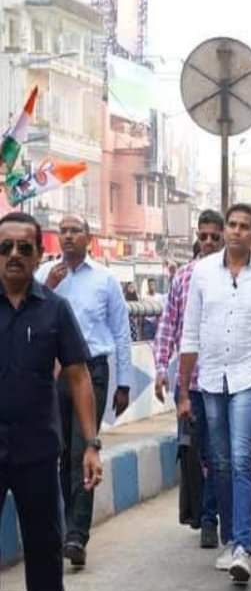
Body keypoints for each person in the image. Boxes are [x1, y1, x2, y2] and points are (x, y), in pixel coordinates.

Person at [0, 211, 103, 591]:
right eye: (6, 248)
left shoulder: (54, 309)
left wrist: (91, 444)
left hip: (39, 449)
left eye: (24, 248)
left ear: (40, 255)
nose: (14, 256)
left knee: (44, 545)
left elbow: (79, 375)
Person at [178, 203, 251, 585]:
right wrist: (183, 392)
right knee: (218, 461)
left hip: (250, 376)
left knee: (242, 458)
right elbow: (190, 332)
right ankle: (229, 538)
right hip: (210, 379)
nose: (236, 232)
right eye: (231, 225)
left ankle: (243, 546)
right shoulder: (202, 273)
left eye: (244, 227)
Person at [36, 215, 132, 569]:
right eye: (63, 232)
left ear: (89, 239)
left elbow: (121, 332)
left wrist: (124, 383)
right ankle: (65, 528)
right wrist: (48, 283)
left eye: (75, 231)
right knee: (58, 453)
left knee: (83, 450)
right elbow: (30, 315)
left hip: (91, 371)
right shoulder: (43, 277)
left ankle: (77, 535)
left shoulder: (105, 280)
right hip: (53, 372)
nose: (68, 237)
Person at [154, 209, 225, 548]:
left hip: (224, 380)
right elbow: (169, 324)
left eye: (215, 236)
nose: (209, 242)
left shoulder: (233, 277)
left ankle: (211, 518)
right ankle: (202, 513)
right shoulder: (183, 277)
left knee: (218, 454)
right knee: (195, 452)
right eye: (204, 235)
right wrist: (159, 369)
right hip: (190, 381)